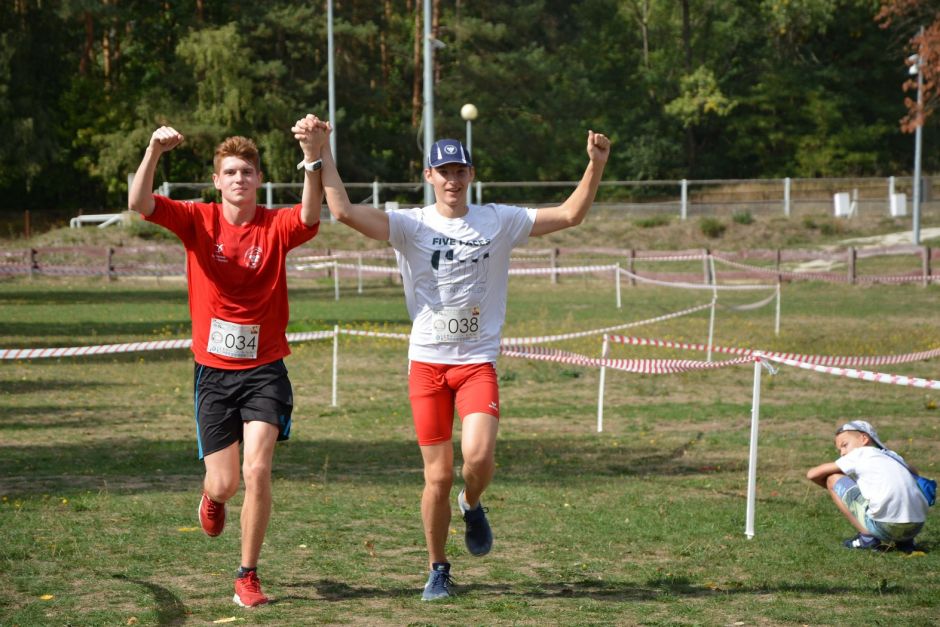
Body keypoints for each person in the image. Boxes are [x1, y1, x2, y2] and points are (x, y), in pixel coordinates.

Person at [301, 121, 611, 600]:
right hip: (427, 364)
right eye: (443, 171)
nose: (452, 179)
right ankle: (438, 568)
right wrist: (321, 151)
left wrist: (596, 164)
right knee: (437, 475)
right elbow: (340, 210)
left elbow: (571, 214)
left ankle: (472, 502)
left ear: (471, 175)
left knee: (479, 459)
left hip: (476, 362)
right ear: (429, 176)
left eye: (460, 170)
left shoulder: (499, 220)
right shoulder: (410, 225)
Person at [128, 114, 330, 607]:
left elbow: (310, 216)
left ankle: (247, 575)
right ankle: (213, 497)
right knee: (226, 482)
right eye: (231, 172)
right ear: (217, 181)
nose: (240, 179)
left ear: (259, 179)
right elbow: (139, 203)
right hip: (214, 375)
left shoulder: (275, 225)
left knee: (258, 470)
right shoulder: (198, 220)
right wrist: (154, 151)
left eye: (247, 172)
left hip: (265, 371)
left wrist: (312, 159)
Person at [806, 420, 929, 552]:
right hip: (915, 527)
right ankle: (905, 543)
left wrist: (838, 492)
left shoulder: (860, 453)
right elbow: (914, 472)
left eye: (844, 445)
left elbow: (812, 474)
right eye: (840, 450)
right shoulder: (892, 455)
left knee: (832, 478)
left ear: (864, 439)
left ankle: (867, 538)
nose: (842, 453)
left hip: (885, 527)